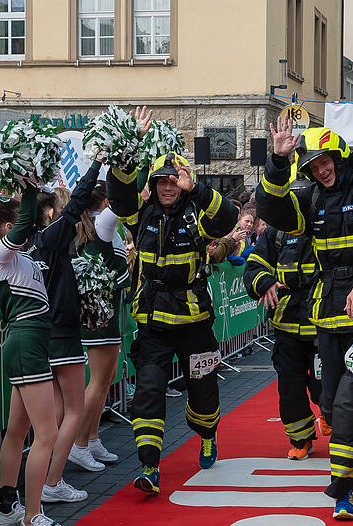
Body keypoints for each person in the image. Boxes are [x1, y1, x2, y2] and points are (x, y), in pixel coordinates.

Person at [256, 119, 353, 520]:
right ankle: (337, 456)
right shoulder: (308, 199)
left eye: (325, 162)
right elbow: (272, 209)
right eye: (313, 166)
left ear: (340, 158)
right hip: (328, 315)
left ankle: (344, 490)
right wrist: (277, 161)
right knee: (330, 401)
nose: (321, 170)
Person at [108, 137, 237, 494]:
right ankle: (150, 466)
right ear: (152, 185)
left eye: (174, 180)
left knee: (204, 390)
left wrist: (196, 189)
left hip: (195, 321)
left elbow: (228, 218)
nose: (168, 186)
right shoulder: (141, 214)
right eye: (161, 181)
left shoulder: (198, 213)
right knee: (148, 391)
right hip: (153, 323)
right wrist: (125, 148)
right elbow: (118, 195)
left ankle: (207, 435)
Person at [29, 154, 114, 501]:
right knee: (73, 410)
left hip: (38, 332)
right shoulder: (51, 240)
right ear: (51, 214)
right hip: (61, 332)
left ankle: (38, 486)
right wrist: (96, 163)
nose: (77, 219)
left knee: (56, 414)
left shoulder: (22, 243)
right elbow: (78, 199)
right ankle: (51, 482)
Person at [0, 187, 59, 526]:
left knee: (17, 430)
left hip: (29, 341)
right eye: (22, 225)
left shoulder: (17, 256)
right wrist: (28, 190)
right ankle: (33, 514)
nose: (32, 229)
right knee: (47, 434)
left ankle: (8, 507)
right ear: (9, 228)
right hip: (25, 340)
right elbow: (26, 222)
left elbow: (30, 224)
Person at [243, 206, 322, 460]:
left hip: (324, 321)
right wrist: (264, 283)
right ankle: (301, 439)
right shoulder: (275, 232)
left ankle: (329, 413)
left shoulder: (328, 222)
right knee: (290, 386)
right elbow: (254, 266)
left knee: (324, 381)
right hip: (287, 323)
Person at [71, 185, 130, 471]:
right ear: (106, 202)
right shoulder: (103, 225)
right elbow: (123, 202)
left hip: (104, 309)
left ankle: (92, 438)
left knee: (105, 380)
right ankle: (78, 443)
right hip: (100, 313)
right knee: (97, 381)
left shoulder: (96, 226)